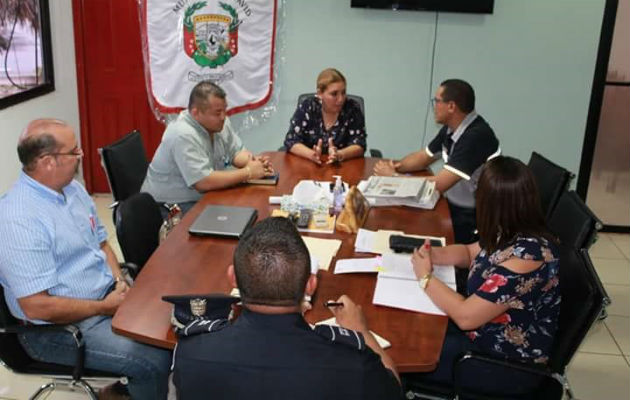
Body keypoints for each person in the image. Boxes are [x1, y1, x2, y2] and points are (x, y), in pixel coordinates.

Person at [0, 119, 171, 399]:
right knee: (153, 360)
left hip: (106, 299)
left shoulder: (73, 190)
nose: (81, 156)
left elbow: (102, 244)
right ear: (47, 161)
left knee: (176, 324)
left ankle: (123, 391)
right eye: (74, 152)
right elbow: (36, 307)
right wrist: (104, 307)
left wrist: (118, 282)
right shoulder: (18, 219)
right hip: (57, 333)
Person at [173, 217, 403, 399]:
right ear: (310, 285)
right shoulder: (353, 363)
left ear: (233, 278)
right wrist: (361, 331)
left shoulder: (192, 351)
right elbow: (394, 390)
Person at [405, 156, 560, 396]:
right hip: (481, 338)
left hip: (501, 364)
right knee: (412, 328)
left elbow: (467, 317)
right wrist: (434, 254)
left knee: (407, 351)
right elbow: (469, 252)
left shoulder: (528, 257)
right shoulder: (509, 228)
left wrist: (426, 278)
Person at [374, 79, 500, 244]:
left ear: (451, 106)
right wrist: (396, 167)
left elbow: (439, 184)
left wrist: (394, 177)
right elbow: (423, 157)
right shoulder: (452, 127)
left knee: (410, 230)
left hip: (473, 218)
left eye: (437, 101)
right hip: (455, 206)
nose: (434, 106)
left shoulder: (475, 136)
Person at [141, 81, 274, 214]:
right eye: (217, 113)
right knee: (231, 217)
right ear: (196, 113)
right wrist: (248, 172)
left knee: (249, 209)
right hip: (169, 206)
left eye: (224, 110)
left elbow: (236, 152)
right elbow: (203, 182)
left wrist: (253, 163)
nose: (223, 117)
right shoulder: (182, 134)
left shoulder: (220, 124)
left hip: (203, 196)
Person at [283, 68, 366, 165]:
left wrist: (339, 154)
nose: (340, 99)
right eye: (334, 94)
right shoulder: (308, 106)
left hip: (343, 167)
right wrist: (311, 154)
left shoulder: (352, 108)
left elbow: (359, 145)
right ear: (320, 93)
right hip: (308, 167)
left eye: (343, 93)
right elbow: (291, 141)